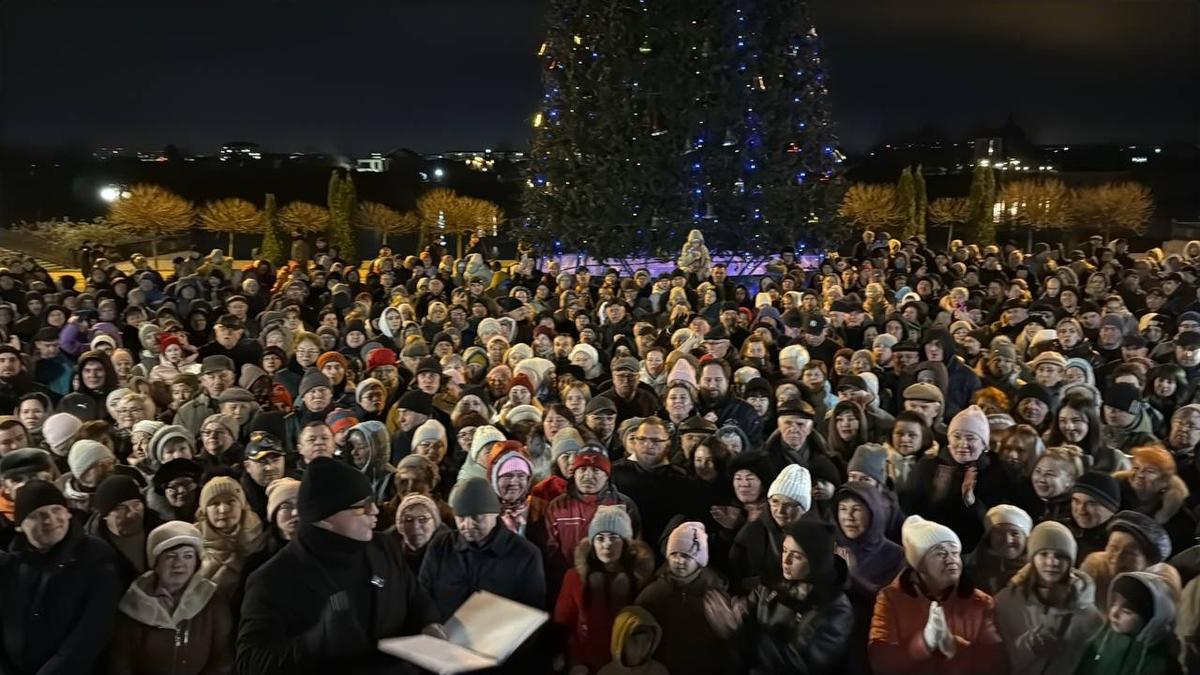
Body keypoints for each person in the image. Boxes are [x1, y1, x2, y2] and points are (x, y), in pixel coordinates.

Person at [237, 457, 442, 674]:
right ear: (324, 518)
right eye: (362, 507)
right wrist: (314, 642)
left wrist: (429, 622)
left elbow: (413, 594)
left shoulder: (383, 547)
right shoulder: (272, 580)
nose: (375, 511)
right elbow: (250, 663)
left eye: (371, 500)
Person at [0, 480, 121, 674]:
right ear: (20, 526)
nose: (49, 520)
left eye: (56, 510)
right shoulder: (9, 564)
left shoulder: (95, 556)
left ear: (67, 513)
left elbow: (91, 633)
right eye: (37, 515)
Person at [709, 520, 855, 675]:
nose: (785, 561)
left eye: (797, 556)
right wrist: (735, 617)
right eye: (785, 550)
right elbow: (746, 614)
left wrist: (741, 633)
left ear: (817, 561)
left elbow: (800, 663)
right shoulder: (772, 586)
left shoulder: (837, 609)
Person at [869, 515, 1005, 675]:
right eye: (941, 554)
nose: (952, 560)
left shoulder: (980, 602)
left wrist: (956, 648)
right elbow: (881, 662)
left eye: (955, 553)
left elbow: (997, 663)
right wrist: (924, 643)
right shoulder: (891, 599)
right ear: (919, 564)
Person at [109, 521, 233, 675]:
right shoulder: (134, 602)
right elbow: (121, 664)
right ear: (156, 563)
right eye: (170, 556)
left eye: (188, 556)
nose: (179, 564)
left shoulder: (212, 599)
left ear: (196, 563)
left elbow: (222, 658)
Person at [419, 478, 546, 620]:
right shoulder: (441, 546)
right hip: (443, 637)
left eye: (477, 517)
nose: (468, 525)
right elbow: (422, 597)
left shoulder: (526, 554)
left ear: (495, 514)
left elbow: (532, 613)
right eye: (461, 518)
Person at [554, 504, 654, 673]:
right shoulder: (575, 577)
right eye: (600, 538)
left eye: (614, 538)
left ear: (625, 543)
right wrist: (576, 662)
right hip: (587, 666)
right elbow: (564, 624)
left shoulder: (641, 577)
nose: (606, 545)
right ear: (592, 543)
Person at [994, 521, 1105, 673]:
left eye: (1060, 556)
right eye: (1044, 554)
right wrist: (1028, 646)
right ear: (1032, 558)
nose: (1052, 562)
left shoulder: (1087, 611)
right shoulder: (1006, 602)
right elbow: (995, 658)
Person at [635, 521, 732, 675]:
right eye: (674, 554)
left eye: (687, 556)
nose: (679, 561)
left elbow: (728, 640)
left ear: (699, 561)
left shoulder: (715, 593)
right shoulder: (654, 592)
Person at [1075, 570, 1181, 675]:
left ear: (1150, 620)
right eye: (1113, 603)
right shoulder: (1103, 638)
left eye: (1127, 611)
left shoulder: (1161, 662)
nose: (1114, 613)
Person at [194, 476, 266, 596]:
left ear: (242, 505)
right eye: (215, 503)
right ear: (205, 510)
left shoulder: (261, 538)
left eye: (231, 501)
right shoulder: (193, 543)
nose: (223, 509)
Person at [967, 504, 1034, 595]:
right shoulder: (970, 569)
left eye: (1015, 533)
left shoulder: (1038, 571)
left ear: (1026, 538)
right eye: (999, 533)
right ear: (989, 537)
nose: (1008, 540)